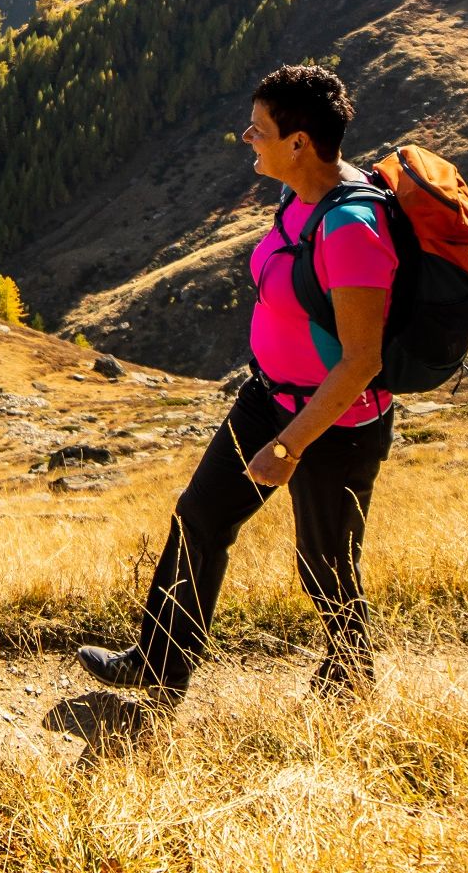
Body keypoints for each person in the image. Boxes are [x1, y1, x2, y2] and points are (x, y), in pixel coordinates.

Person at [78, 62, 395, 707]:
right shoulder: (297, 199)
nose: (247, 139)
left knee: (326, 562)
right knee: (201, 514)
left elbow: (362, 359)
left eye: (258, 131)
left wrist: (290, 446)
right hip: (268, 396)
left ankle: (351, 679)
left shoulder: (352, 229)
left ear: (299, 142)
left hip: (334, 420)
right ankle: (160, 665)